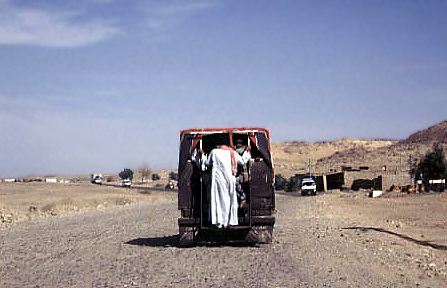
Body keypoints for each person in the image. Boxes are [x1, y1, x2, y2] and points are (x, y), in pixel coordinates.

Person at [203, 144, 251, 228]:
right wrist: (247, 151)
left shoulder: (214, 152)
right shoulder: (232, 153)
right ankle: (228, 222)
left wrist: (203, 154)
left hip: (217, 182)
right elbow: (243, 161)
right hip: (229, 181)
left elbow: (207, 163)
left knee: (218, 200)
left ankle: (219, 223)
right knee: (228, 201)